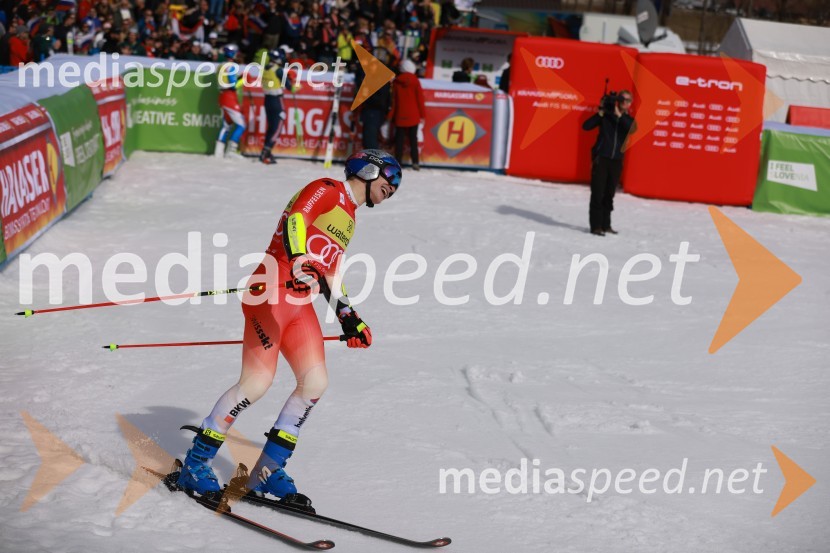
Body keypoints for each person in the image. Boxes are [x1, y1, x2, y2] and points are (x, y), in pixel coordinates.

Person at [175, 150, 403, 505]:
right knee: (256, 383)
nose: (394, 186)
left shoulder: (350, 218)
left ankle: (266, 471)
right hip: (269, 290)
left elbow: (330, 271)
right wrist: (298, 258)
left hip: (299, 302)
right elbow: (297, 218)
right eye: (391, 176)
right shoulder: (326, 189)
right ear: (369, 169)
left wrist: (348, 315)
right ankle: (195, 464)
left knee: (315, 383)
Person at [581, 90, 635, 236]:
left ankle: (606, 225)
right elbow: (586, 126)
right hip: (602, 159)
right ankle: (596, 226)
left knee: (609, 194)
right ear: (618, 101)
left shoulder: (627, 119)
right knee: (598, 193)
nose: (626, 103)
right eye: (623, 100)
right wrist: (600, 113)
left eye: (629, 101)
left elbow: (633, 129)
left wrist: (619, 116)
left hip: (616, 161)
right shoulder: (605, 116)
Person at [259, 46, 295, 164]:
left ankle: (266, 152)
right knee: (277, 127)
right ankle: (266, 151)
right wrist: (295, 82)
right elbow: (291, 88)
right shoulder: (278, 70)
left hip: (267, 100)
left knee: (271, 127)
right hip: (276, 100)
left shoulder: (265, 69)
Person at [392, 59, 425, 170]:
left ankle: (398, 162)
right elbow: (420, 100)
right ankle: (415, 162)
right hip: (413, 115)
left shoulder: (396, 82)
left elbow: (394, 101)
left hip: (400, 114)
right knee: (413, 140)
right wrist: (423, 115)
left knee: (399, 140)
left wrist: (390, 116)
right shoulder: (416, 81)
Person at [215, 43, 247, 159]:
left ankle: (218, 152)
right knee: (242, 124)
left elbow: (227, 82)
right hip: (229, 97)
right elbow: (234, 85)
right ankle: (231, 151)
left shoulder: (220, 66)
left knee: (226, 125)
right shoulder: (232, 66)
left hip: (222, 96)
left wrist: (239, 78)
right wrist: (243, 80)